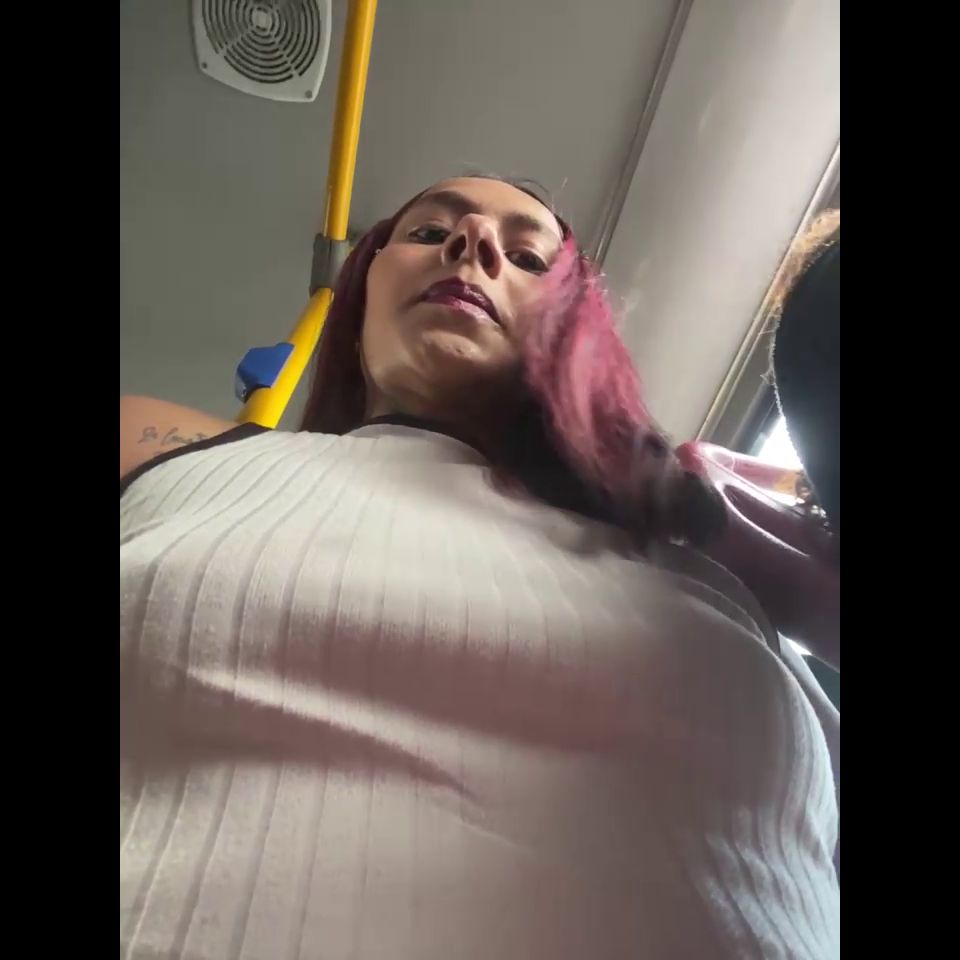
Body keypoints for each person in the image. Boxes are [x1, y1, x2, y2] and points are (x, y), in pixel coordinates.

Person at [121, 176, 839, 959]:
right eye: (430, 233)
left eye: (528, 257)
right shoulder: (166, 452)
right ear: (359, 306)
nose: (474, 243)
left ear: (574, 331)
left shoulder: (706, 551)